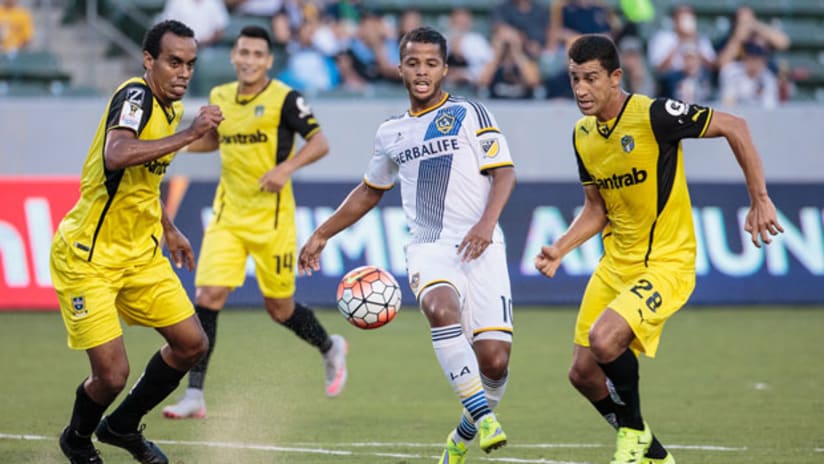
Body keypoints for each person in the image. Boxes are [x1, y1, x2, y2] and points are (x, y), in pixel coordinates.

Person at [534, 34, 784, 464]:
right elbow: (597, 209)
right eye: (575, 78)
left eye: (591, 78)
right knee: (582, 373)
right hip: (615, 264)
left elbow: (735, 126)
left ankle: (631, 434)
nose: (580, 89)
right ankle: (652, 451)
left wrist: (759, 197)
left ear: (616, 77)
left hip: (666, 264)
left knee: (604, 339)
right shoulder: (583, 135)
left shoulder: (653, 115)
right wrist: (561, 247)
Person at [298, 26, 516, 463]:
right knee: (438, 307)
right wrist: (322, 233)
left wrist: (486, 225)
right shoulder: (391, 132)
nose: (422, 71)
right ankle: (484, 418)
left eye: (431, 63)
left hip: (483, 245)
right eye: (413, 63)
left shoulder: (471, 113)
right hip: (429, 247)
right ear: (399, 68)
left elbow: (504, 173)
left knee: (494, 361)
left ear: (444, 69)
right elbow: (370, 190)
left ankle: (459, 439)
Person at [52, 20, 223, 464]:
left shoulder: (168, 106)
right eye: (173, 62)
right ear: (149, 61)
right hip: (88, 256)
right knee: (110, 376)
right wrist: (190, 134)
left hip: (140, 253)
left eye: (190, 64)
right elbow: (117, 154)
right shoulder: (136, 96)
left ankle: (123, 426)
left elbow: (139, 180)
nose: (183, 72)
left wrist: (168, 227)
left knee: (191, 344)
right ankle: (76, 438)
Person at [161, 25, 348, 420]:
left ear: (268, 61)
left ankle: (330, 346)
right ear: (233, 56)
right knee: (208, 298)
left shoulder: (285, 99)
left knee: (278, 308)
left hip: (272, 221)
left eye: (256, 54)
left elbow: (320, 142)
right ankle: (195, 395)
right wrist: (176, 142)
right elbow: (217, 139)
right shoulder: (219, 97)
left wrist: (286, 168)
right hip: (228, 215)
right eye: (242, 52)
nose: (248, 60)